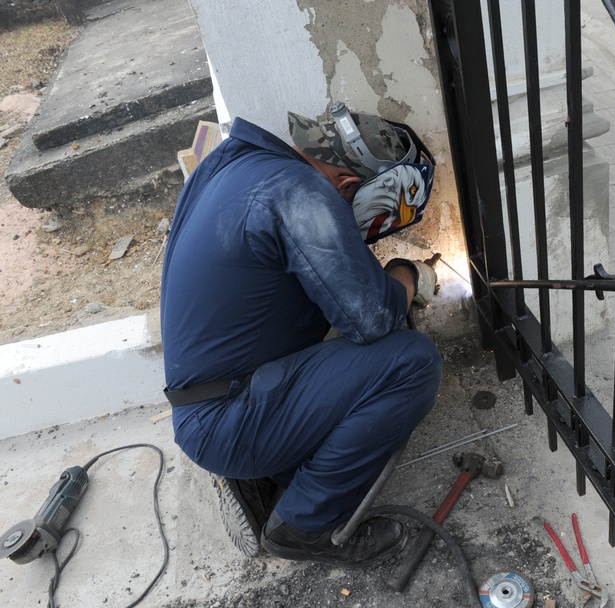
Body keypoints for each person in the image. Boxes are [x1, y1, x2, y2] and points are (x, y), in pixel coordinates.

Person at [159, 103, 442, 567]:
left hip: (207, 398)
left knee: (338, 354)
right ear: (349, 185)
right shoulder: (301, 193)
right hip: (228, 418)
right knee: (412, 362)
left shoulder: (233, 161)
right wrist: (406, 274)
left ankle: (270, 472)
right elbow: (371, 319)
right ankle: (304, 526)